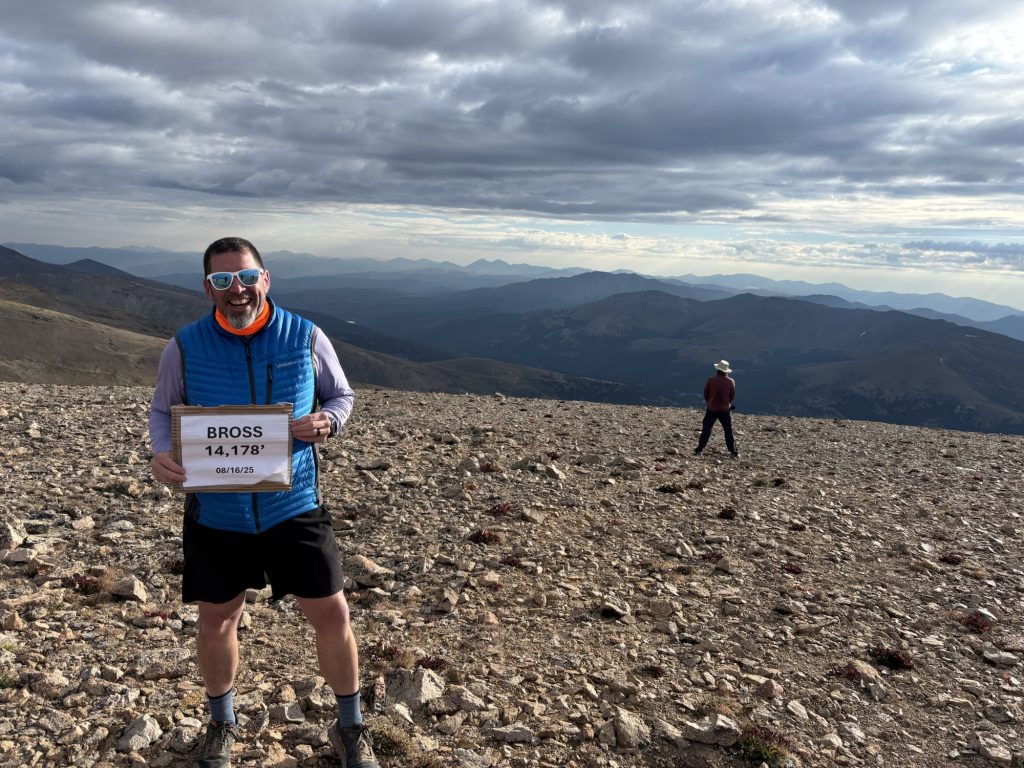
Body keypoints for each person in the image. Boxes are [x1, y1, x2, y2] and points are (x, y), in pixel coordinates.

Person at [148, 237, 378, 768]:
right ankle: (221, 725)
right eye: (224, 281)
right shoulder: (184, 345)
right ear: (208, 287)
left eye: (246, 277)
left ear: (265, 279)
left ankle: (351, 726)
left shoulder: (305, 336)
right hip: (217, 512)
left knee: (332, 612)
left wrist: (328, 421)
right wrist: (162, 454)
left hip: (293, 503)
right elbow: (163, 410)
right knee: (217, 619)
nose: (237, 290)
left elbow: (341, 395)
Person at [694, 359, 739, 458]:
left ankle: (699, 449)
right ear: (726, 371)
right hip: (724, 410)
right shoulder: (731, 381)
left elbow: (706, 393)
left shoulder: (711, 380)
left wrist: (710, 402)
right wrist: (726, 403)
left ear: (717, 370)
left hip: (711, 409)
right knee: (728, 430)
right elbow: (732, 396)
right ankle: (733, 451)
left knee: (706, 429)